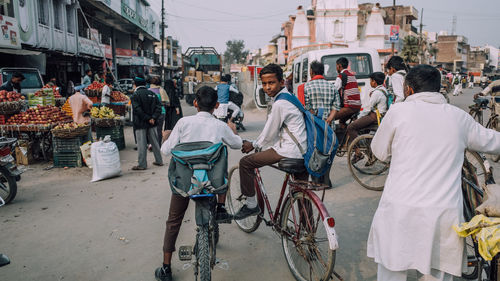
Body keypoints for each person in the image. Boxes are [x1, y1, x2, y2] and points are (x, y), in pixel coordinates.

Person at [367, 64, 500, 281]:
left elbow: (379, 151)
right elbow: (493, 141)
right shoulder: (458, 117)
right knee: (438, 272)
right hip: (443, 216)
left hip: (400, 211)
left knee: (392, 269)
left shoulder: (399, 112)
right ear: (438, 88)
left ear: (408, 90)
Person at [156, 86, 242, 281]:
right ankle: (220, 206)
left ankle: (166, 268)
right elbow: (237, 144)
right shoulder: (220, 126)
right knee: (222, 164)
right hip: (213, 183)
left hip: (184, 184)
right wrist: (233, 131)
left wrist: (167, 137)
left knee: (173, 220)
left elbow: (165, 151)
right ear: (217, 105)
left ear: (195, 103)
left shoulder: (183, 123)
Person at [233, 64, 309, 220]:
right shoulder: (290, 97)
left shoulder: (280, 104)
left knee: (245, 163)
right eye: (264, 83)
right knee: (302, 193)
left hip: (288, 151)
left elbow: (269, 134)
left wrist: (253, 144)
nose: (267, 87)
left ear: (281, 82)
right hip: (304, 151)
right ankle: (307, 231)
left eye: (271, 83)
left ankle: (251, 205)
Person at [347, 72, 387, 163]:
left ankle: (358, 153)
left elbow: (368, 108)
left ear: (374, 82)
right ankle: (370, 154)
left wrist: (359, 117)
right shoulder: (383, 90)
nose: (370, 83)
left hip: (374, 116)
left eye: (371, 81)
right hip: (380, 116)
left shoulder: (377, 93)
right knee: (363, 130)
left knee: (351, 127)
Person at [130, 75, 163, 170]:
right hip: (152, 123)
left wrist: (147, 118)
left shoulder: (135, 95)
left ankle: (142, 164)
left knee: (141, 144)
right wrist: (153, 118)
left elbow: (137, 110)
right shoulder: (152, 94)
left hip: (141, 123)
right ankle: (159, 160)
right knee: (155, 143)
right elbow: (159, 107)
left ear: (135, 84)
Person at [332, 57, 361, 126]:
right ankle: (346, 136)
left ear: (339, 66)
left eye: (336, 66)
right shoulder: (352, 75)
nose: (336, 68)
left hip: (349, 106)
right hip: (357, 106)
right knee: (341, 121)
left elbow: (334, 90)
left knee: (330, 117)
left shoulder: (341, 76)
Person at [149, 76, 169, 146]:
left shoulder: (148, 91)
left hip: (150, 113)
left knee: (150, 129)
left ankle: (151, 144)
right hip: (161, 112)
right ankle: (158, 145)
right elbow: (167, 103)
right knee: (159, 129)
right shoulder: (162, 90)